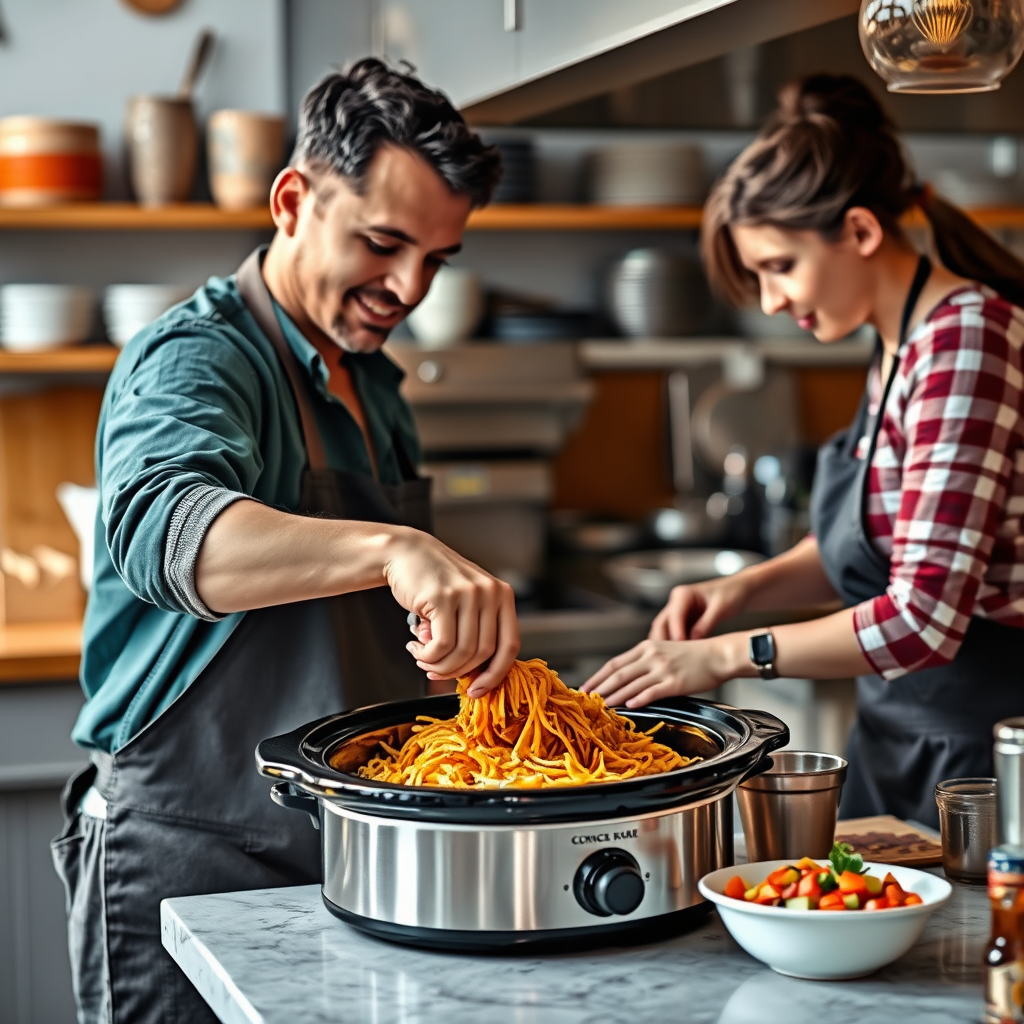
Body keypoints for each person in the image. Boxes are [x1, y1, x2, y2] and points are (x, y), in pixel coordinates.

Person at [51, 59, 518, 1024]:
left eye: (435, 259)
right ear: (293, 199)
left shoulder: (374, 388)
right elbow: (163, 529)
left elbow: (356, 624)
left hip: (335, 848)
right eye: (385, 243)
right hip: (188, 849)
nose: (408, 287)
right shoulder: (198, 356)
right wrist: (395, 549)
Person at [583, 74, 1024, 830]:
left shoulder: (965, 341)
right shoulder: (900, 342)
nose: (771, 303)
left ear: (859, 232)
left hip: (977, 762)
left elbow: (921, 619)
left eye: (778, 267)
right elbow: (871, 539)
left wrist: (726, 655)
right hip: (902, 740)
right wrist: (746, 589)